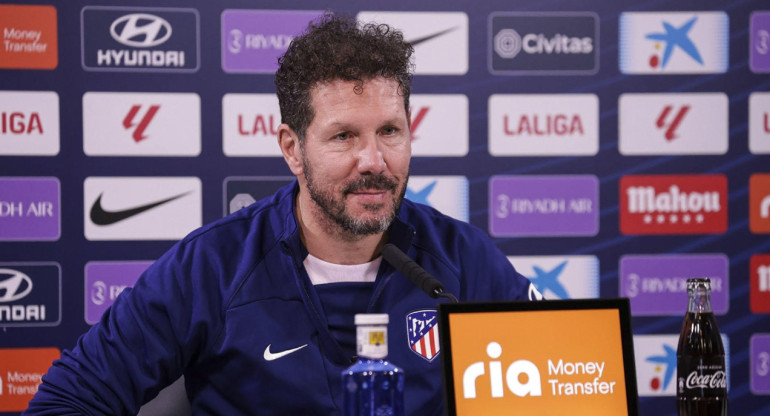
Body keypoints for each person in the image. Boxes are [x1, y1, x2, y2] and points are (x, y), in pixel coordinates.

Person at [24, 13, 541, 416]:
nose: (375, 162)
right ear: (292, 149)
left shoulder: (463, 260)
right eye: (344, 137)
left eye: (390, 131)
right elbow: (64, 402)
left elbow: (566, 387)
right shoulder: (213, 265)